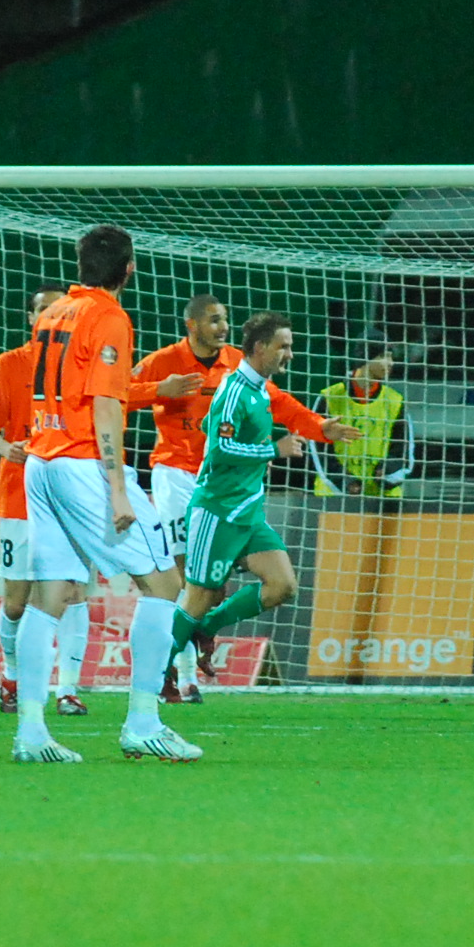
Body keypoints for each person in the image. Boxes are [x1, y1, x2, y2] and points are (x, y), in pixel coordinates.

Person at [12, 223, 198, 764]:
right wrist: (118, 490)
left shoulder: (53, 313)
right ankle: (143, 722)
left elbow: (75, 390)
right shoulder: (110, 316)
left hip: (41, 460)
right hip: (80, 463)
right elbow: (104, 404)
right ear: (130, 269)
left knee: (49, 596)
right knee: (164, 582)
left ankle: (30, 733)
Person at [134, 292, 335, 702]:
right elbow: (115, 396)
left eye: (225, 319)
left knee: (244, 587)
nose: (222, 327)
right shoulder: (164, 363)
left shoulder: (241, 371)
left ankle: (195, 648)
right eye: (213, 319)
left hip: (237, 494)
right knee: (191, 585)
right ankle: (175, 675)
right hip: (181, 478)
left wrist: (319, 428)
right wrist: (159, 390)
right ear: (191, 325)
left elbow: (286, 407)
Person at [0, 285, 89, 718]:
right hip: (19, 496)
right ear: (30, 318)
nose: (50, 316)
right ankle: (12, 676)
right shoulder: (9, 364)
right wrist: (8, 449)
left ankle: (68, 689)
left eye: (58, 310)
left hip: (70, 495)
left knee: (73, 592)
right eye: (43, 310)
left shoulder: (83, 365)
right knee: (17, 601)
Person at [309, 344, 415, 498]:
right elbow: (317, 449)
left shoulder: (395, 400)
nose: (390, 362)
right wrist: (345, 481)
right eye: (383, 356)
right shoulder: (330, 397)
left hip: (383, 498)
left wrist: (387, 471)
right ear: (365, 358)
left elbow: (404, 451)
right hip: (335, 496)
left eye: (391, 357)